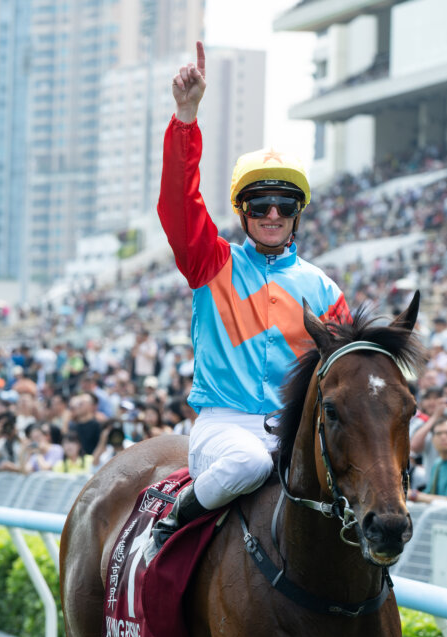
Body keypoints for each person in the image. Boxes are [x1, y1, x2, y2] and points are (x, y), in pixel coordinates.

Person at [149, 42, 350, 555]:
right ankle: (173, 519)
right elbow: (178, 204)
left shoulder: (324, 290)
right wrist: (186, 117)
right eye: (260, 204)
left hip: (293, 431)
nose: (272, 214)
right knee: (250, 463)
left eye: (284, 204)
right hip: (225, 427)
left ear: (297, 212)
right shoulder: (211, 263)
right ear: (242, 212)